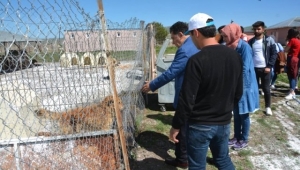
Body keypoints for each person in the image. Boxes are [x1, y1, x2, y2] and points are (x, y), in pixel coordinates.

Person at [170, 13, 243, 170]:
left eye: (191, 35)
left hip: (200, 124)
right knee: (223, 160)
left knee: (197, 166)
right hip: (223, 123)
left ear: (196, 32)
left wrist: (176, 126)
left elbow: (187, 99)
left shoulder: (197, 60)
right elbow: (238, 92)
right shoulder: (234, 56)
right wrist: (225, 111)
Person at [141, 21, 199, 169]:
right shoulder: (195, 44)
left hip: (187, 96)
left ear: (181, 34)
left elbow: (171, 72)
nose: (173, 42)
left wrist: (152, 85)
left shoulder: (185, 50)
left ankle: (182, 159)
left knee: (182, 129)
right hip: (196, 95)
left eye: (174, 38)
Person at [221, 23, 259, 150]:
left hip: (245, 84)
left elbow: (245, 68)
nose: (225, 39)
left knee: (244, 113)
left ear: (233, 34)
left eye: (226, 36)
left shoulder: (244, 47)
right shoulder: (231, 46)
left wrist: (236, 83)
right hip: (236, 84)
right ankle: (236, 136)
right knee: (236, 113)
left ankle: (244, 139)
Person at [248, 21, 277, 116]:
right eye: (255, 29)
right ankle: (255, 105)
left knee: (266, 89)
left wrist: (269, 66)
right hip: (254, 69)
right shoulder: (251, 41)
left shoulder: (269, 40)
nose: (256, 31)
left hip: (265, 69)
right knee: (254, 88)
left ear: (263, 30)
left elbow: (274, 54)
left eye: (259, 29)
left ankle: (268, 107)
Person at [284, 28, 300, 99]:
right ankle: (292, 89)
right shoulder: (298, 40)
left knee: (291, 76)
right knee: (294, 75)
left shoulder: (292, 40)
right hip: (296, 59)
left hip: (292, 58)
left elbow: (285, 49)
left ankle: (292, 92)